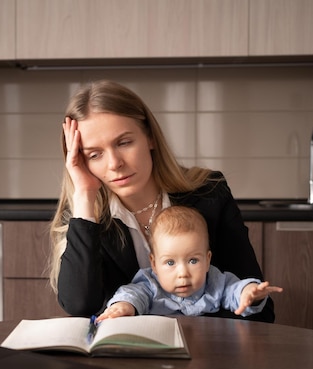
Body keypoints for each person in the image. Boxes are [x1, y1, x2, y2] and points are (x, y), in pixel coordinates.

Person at [48, 79, 276, 323]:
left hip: (208, 350)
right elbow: (80, 306)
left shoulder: (210, 194)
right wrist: (83, 195)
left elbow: (259, 309)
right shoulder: (85, 217)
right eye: (94, 155)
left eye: (124, 142)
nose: (114, 164)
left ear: (150, 137)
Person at [96, 206, 283, 322]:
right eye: (170, 262)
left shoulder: (215, 282)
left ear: (208, 259)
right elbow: (132, 294)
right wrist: (123, 306)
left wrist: (249, 292)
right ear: (154, 264)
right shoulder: (150, 284)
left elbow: (234, 290)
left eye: (193, 260)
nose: (183, 273)